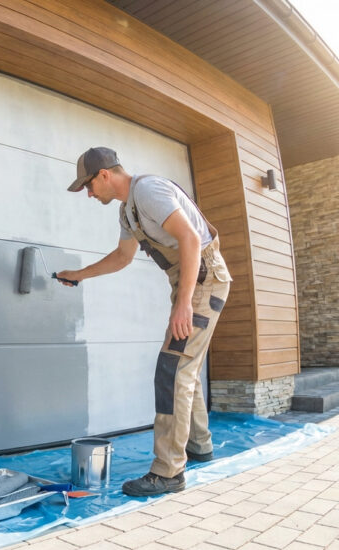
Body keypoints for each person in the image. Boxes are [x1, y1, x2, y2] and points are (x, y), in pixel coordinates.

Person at [56, 147, 232, 496]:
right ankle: (199, 445)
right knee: (187, 367)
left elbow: (191, 239)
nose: (89, 195)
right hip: (190, 283)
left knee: (173, 370)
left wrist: (183, 305)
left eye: (89, 186)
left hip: (203, 280)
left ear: (104, 174)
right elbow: (122, 257)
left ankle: (169, 472)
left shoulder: (148, 191)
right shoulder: (128, 211)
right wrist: (78, 274)